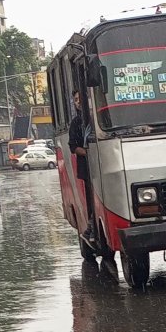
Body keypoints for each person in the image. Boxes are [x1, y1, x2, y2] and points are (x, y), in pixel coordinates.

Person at [69, 90, 96, 244]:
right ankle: (91, 229)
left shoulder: (99, 117)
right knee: (92, 199)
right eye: (76, 100)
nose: (78, 102)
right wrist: (88, 153)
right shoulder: (76, 123)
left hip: (101, 164)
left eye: (80, 99)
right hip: (86, 167)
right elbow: (73, 147)